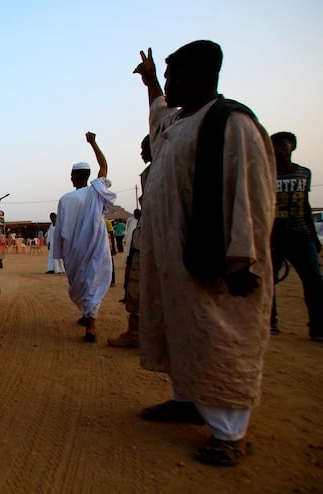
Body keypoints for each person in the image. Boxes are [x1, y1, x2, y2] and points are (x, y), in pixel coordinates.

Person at [134, 41, 275, 466]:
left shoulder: (231, 125)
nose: (170, 84)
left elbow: (250, 194)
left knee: (218, 338)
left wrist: (239, 259)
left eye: (173, 74)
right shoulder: (179, 123)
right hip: (176, 263)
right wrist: (151, 81)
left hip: (215, 263)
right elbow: (158, 117)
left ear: (197, 76)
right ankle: (187, 401)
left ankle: (230, 433)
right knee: (183, 331)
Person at [51, 132, 117, 343]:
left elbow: (61, 230)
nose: (70, 178)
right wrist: (93, 143)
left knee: (85, 283)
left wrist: (59, 254)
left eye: (72, 175)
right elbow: (104, 165)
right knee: (92, 282)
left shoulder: (67, 199)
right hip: (95, 247)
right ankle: (88, 316)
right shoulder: (96, 191)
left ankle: (91, 327)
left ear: (77, 176)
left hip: (75, 251)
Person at [270, 131, 323, 340]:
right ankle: (270, 321)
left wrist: (313, 236)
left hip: (301, 235)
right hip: (273, 235)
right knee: (268, 281)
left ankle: (318, 327)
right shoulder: (266, 173)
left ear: (292, 147)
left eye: (283, 145)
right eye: (274, 145)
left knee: (314, 281)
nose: (278, 149)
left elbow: (305, 205)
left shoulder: (303, 173)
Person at [108, 137, 151, 348]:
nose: (142, 153)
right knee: (136, 285)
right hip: (143, 240)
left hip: (162, 239)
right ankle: (135, 331)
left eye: (145, 148)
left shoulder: (173, 168)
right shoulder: (150, 174)